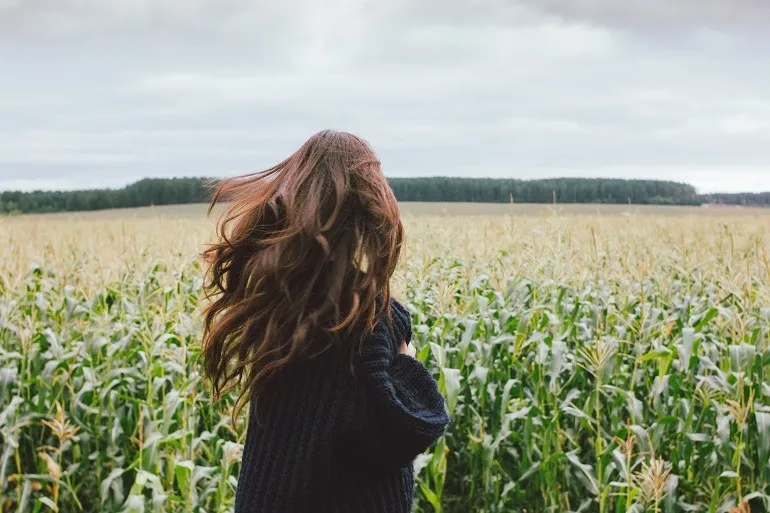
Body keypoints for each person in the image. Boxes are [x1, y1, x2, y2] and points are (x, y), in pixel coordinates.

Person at [201, 130, 450, 512]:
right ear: (372, 205)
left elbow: (275, 477)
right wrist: (409, 366)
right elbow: (405, 426)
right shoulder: (373, 316)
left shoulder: (279, 315)